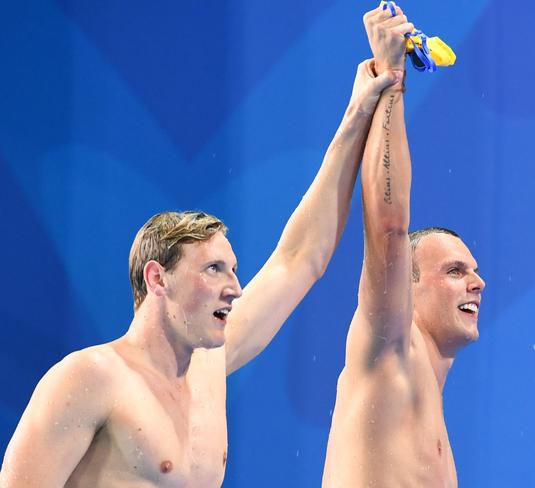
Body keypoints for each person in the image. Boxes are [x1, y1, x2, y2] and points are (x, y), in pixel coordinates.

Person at [0, 54, 402, 487]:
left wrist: (358, 111)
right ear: (158, 279)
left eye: (233, 269)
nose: (235, 288)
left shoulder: (210, 369)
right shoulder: (90, 377)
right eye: (214, 269)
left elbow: (301, 257)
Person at [322, 5, 486, 487]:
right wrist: (393, 81)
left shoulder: (427, 397)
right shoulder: (390, 348)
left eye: (473, 270)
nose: (477, 282)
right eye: (454, 270)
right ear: (406, 288)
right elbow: (389, 227)